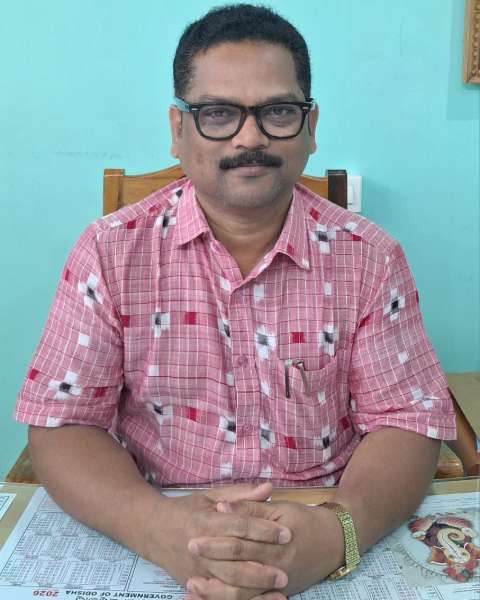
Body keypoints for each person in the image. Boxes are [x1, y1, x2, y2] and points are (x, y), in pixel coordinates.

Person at [15, 4, 456, 599]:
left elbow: (408, 421)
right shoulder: (109, 251)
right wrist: (154, 527)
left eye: (278, 112)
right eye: (219, 113)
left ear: (310, 126)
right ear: (178, 129)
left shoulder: (371, 258)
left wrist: (337, 534)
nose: (250, 138)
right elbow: (62, 423)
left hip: (325, 521)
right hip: (156, 522)